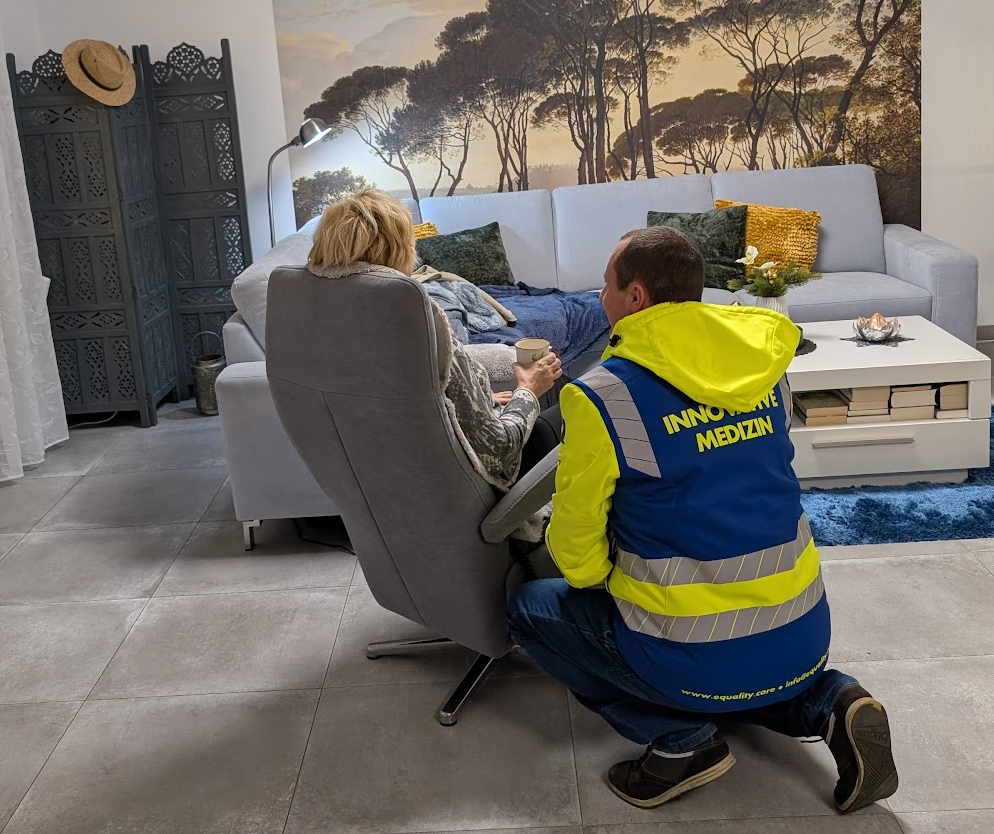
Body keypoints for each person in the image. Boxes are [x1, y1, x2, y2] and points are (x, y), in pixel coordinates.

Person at [507, 226, 898, 812]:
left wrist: (607, 582)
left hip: (685, 650)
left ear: (635, 296)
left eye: (605, 285)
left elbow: (579, 553)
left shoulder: (603, 396)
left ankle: (681, 742)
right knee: (740, 663)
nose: (599, 295)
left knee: (530, 608)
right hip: (803, 632)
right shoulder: (765, 368)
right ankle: (830, 701)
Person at [307, 189, 563, 490]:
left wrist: (480, 402)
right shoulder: (421, 319)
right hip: (471, 481)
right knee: (576, 401)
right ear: (398, 251)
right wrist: (527, 390)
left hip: (384, 477)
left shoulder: (325, 320)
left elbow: (397, 402)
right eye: (411, 244)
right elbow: (497, 452)